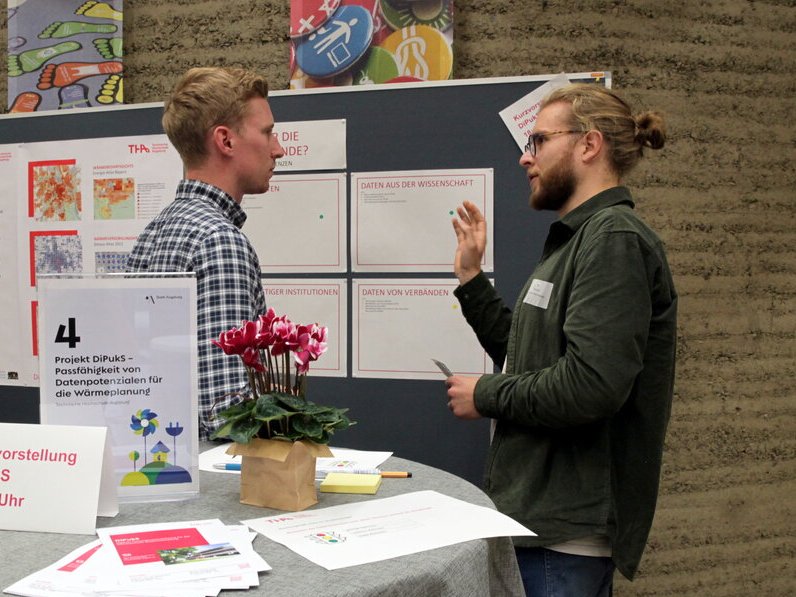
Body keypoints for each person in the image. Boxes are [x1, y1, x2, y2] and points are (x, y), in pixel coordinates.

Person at [446, 83, 677, 596]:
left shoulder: (614, 239)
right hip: (542, 533)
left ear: (588, 144)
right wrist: (472, 279)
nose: (525, 158)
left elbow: (591, 385)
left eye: (538, 141)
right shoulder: (579, 240)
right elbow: (525, 357)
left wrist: (486, 394)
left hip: (563, 546)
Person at [127, 67, 285, 440]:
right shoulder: (219, 240)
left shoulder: (152, 234)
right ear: (225, 141)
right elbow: (229, 416)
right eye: (267, 132)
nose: (278, 148)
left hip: (161, 454)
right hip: (212, 470)